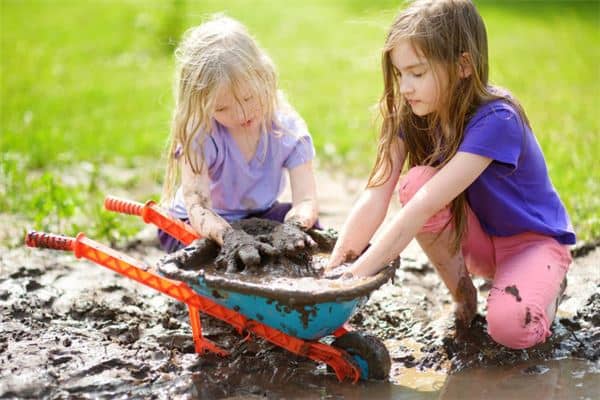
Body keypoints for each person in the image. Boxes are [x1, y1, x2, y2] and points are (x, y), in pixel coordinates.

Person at [326, 0, 575, 350]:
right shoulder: (412, 115)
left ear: (463, 66)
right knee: (415, 182)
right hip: (478, 240)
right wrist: (334, 272)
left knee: (510, 330)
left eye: (418, 73)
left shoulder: (496, 120)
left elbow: (424, 208)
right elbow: (376, 194)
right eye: (400, 75)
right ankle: (464, 296)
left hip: (531, 244)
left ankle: (545, 292)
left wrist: (356, 275)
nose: (406, 87)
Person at [159, 15, 318, 269]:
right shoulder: (201, 133)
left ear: (264, 77)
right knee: (213, 255)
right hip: (201, 222)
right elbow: (197, 206)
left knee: (306, 238)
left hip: (259, 216)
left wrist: (293, 227)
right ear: (201, 105)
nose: (242, 114)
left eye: (248, 98)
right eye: (222, 108)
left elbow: (306, 200)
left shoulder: (287, 129)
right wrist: (231, 238)